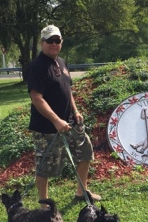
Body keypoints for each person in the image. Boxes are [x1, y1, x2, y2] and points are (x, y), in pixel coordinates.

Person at [25, 25, 101, 204]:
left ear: (61, 42)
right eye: (49, 40)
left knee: (85, 152)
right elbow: (37, 98)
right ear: (42, 43)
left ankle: (81, 192)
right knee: (44, 165)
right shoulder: (36, 66)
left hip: (70, 123)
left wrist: (75, 111)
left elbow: (68, 91)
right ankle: (45, 204)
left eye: (57, 40)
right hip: (47, 127)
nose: (54, 44)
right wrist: (56, 121)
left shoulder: (62, 62)